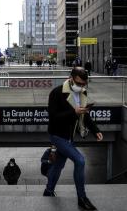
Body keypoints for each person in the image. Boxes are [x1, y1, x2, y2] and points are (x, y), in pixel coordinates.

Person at [44, 67, 103, 211]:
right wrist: (74, 112)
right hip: (57, 135)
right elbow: (54, 117)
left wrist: (96, 131)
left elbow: (84, 115)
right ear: (71, 78)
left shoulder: (82, 92)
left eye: (84, 84)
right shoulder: (57, 93)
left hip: (69, 136)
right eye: (79, 83)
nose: (81, 86)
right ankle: (82, 198)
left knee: (58, 165)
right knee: (80, 160)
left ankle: (48, 190)